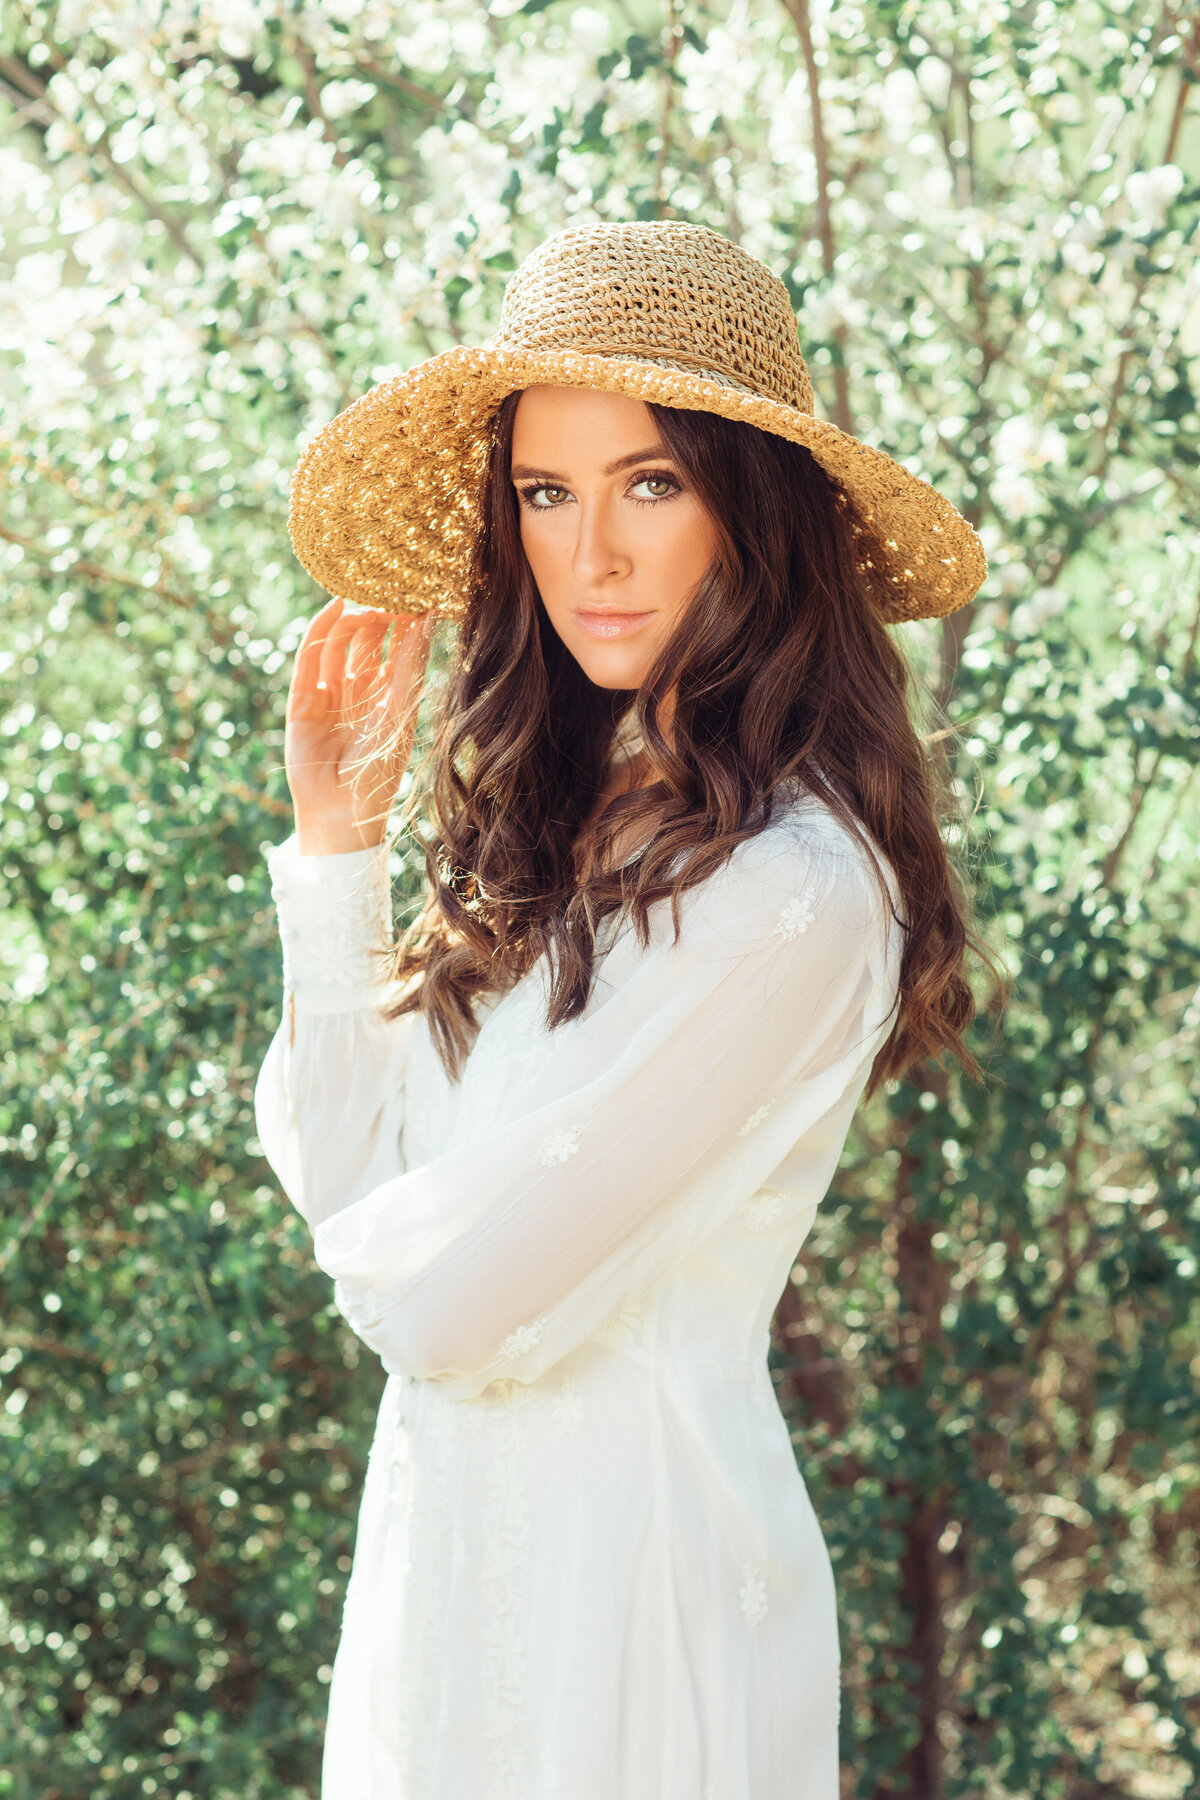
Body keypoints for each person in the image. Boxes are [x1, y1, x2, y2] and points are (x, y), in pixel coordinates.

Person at [254, 220, 991, 1800]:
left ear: (753, 509)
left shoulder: (798, 890)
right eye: (547, 492)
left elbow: (443, 1313)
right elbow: (341, 1178)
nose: (591, 552)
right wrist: (337, 857)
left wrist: (401, 1235)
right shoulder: (546, 841)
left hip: (638, 1604)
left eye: (651, 483)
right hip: (444, 1580)